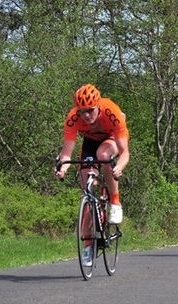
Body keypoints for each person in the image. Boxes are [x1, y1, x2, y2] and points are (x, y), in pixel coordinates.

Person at [54, 84, 130, 266]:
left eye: (90, 111)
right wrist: (62, 168)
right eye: (82, 112)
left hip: (112, 139)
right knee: (87, 189)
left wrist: (119, 166)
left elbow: (125, 152)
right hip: (90, 142)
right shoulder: (73, 118)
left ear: (98, 106)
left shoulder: (111, 110)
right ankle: (88, 245)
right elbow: (66, 153)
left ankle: (115, 201)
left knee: (103, 156)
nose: (86, 116)